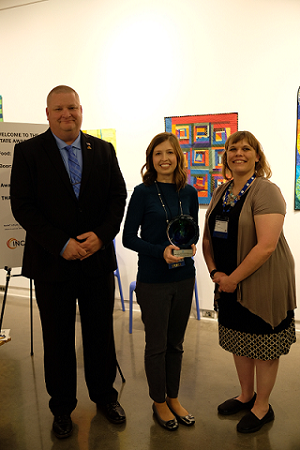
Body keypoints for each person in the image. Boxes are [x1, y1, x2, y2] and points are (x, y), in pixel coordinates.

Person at [10, 85, 127, 439]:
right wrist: (60, 244)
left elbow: (117, 197)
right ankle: (62, 408)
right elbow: (22, 206)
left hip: (95, 261)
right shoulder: (28, 151)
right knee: (58, 339)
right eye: (59, 109)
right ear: (47, 113)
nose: (67, 115)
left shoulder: (103, 150)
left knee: (100, 335)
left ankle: (105, 397)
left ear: (81, 110)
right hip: (52, 264)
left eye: (72, 108)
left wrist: (102, 235)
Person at [202, 130, 296, 433]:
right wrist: (215, 272)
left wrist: (232, 280)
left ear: (257, 156)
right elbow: (207, 237)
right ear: (225, 156)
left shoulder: (266, 190)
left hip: (262, 281)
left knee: (263, 345)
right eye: (232, 149)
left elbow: (266, 246)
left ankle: (262, 406)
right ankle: (245, 395)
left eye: (246, 148)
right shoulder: (222, 190)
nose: (238, 153)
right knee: (238, 339)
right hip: (227, 280)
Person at [122, 132, 199, 431]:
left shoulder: (189, 193)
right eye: (158, 154)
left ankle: (174, 397)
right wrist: (159, 252)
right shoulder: (143, 193)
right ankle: (159, 402)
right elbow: (129, 238)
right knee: (156, 344)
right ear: (150, 159)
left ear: (178, 156)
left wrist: (189, 246)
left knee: (176, 344)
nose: (164, 158)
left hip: (184, 276)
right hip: (153, 279)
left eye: (169, 153)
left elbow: (191, 229)